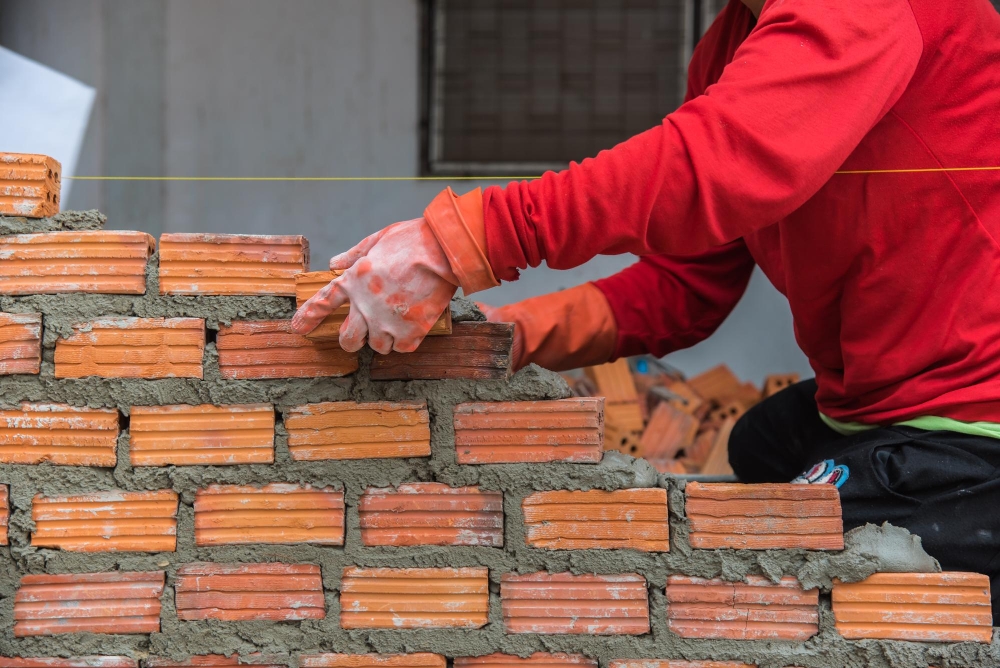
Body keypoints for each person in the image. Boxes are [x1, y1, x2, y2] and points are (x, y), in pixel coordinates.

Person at [293, 0, 1000, 616]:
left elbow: (720, 164)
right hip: (874, 406)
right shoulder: (734, 45)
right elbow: (686, 285)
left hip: (973, 413)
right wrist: (504, 339)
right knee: (761, 445)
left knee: (771, 563)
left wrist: (466, 241)